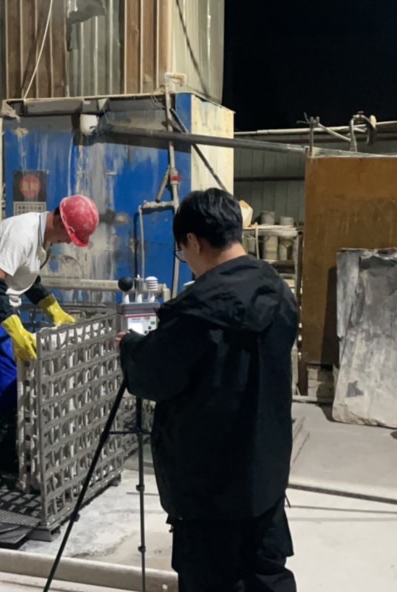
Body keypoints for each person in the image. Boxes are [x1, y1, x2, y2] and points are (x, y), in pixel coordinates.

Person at [114, 188, 299, 592]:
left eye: (183, 251)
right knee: (267, 577)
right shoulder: (278, 291)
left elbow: (152, 377)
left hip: (209, 490)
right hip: (264, 477)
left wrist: (130, 347)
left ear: (194, 242)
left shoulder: (199, 309)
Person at [0, 195, 99, 488]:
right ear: (60, 220)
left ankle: (7, 461)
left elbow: (27, 279)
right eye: (69, 236)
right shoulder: (21, 234)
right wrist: (17, 332)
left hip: (2, 311)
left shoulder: (44, 241)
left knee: (10, 386)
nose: (67, 242)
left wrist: (53, 308)